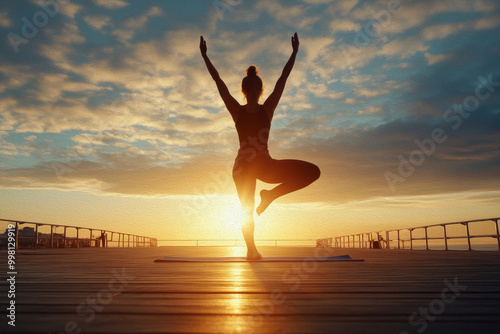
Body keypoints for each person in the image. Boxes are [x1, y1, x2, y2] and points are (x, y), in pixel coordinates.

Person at [200, 33, 320, 260]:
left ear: (245, 90)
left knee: (249, 207)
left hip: (251, 166)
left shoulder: (241, 110)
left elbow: (220, 82)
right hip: (253, 167)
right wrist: (294, 52)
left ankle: (266, 208)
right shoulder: (263, 109)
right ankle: (254, 243)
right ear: (260, 89)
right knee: (248, 208)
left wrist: (205, 56)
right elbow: (282, 79)